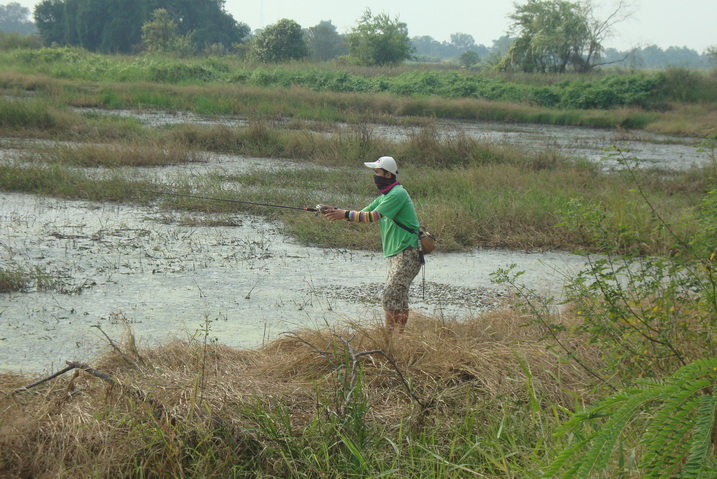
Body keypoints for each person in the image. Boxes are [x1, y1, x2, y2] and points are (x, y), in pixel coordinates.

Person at [323, 156, 422, 331]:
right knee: (397, 296)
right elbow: (362, 213)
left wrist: (344, 214)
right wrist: (335, 211)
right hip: (397, 253)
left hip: (408, 252)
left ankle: (391, 337)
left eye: (377, 172)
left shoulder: (398, 194)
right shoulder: (385, 197)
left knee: (391, 295)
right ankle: (397, 337)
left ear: (388, 174)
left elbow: (372, 216)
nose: (375, 176)